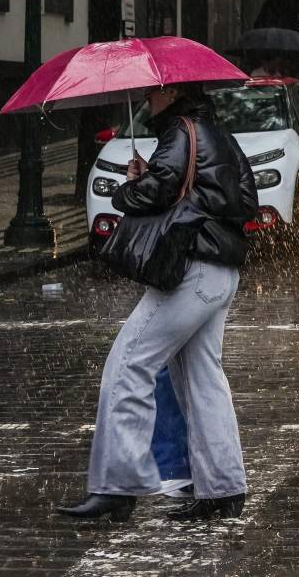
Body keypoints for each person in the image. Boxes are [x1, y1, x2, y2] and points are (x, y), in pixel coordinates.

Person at [57, 83, 257, 523]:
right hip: (220, 269)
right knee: (201, 378)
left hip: (190, 269)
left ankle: (116, 486)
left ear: (174, 92)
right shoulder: (218, 133)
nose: (148, 98)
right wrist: (165, 182)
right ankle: (222, 489)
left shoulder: (180, 133)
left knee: (128, 364)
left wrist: (127, 190)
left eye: (154, 92)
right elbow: (243, 200)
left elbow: (157, 191)